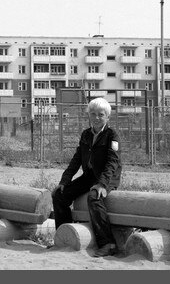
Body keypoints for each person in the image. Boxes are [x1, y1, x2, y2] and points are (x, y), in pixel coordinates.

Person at [52, 98, 123, 257]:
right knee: (58, 195)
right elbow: (76, 159)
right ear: (89, 116)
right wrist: (65, 181)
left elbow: (113, 162)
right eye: (93, 114)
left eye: (101, 115)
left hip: (107, 178)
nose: (96, 118)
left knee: (93, 197)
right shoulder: (86, 134)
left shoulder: (112, 135)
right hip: (89, 176)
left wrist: (102, 185)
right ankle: (65, 237)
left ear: (108, 117)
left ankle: (108, 244)